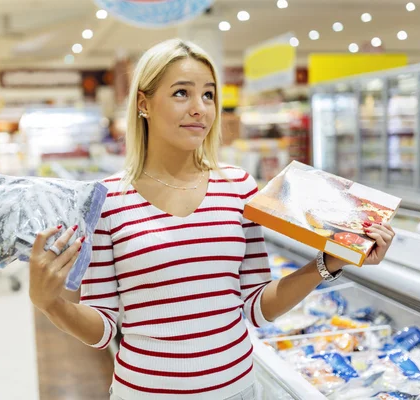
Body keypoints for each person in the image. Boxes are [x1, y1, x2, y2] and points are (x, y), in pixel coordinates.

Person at [28, 39, 396, 400]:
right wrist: (51, 304)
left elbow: (256, 303)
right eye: (181, 93)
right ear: (143, 103)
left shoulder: (238, 186)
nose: (200, 109)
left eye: (208, 95)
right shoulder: (107, 199)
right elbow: (104, 327)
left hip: (237, 388)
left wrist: (328, 263)